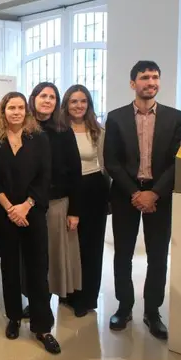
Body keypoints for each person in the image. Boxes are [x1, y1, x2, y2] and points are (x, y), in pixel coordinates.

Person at [103, 61, 181, 340]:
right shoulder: (115, 117)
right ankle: (124, 306)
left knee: (158, 255)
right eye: (144, 77)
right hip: (126, 194)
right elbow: (112, 162)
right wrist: (136, 193)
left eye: (155, 77)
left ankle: (152, 311)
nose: (150, 82)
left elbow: (178, 161)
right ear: (132, 83)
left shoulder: (175, 117)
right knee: (123, 255)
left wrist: (155, 193)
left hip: (159, 195)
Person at [0, 92, 60, 354]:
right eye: (11, 107)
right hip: (5, 215)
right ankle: (14, 317)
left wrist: (26, 206)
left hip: (33, 213)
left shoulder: (39, 139)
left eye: (20, 107)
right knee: (8, 268)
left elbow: (44, 177)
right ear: (3, 111)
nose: (16, 112)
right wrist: (10, 209)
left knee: (38, 269)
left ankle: (42, 327)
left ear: (26, 112)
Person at [28, 82, 83, 308]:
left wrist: (74, 211)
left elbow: (75, 171)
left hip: (57, 202)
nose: (47, 100)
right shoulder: (23, 130)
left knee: (55, 256)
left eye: (52, 97)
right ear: (33, 99)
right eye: (43, 95)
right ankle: (35, 301)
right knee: (33, 257)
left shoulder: (63, 131)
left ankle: (50, 299)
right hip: (29, 204)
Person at [63, 84, 109, 318]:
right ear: (66, 105)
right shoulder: (60, 131)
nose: (79, 105)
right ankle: (69, 294)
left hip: (95, 191)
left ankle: (87, 296)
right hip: (70, 191)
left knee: (92, 247)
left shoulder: (98, 131)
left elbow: (105, 164)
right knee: (72, 246)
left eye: (83, 101)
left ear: (89, 104)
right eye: (73, 101)